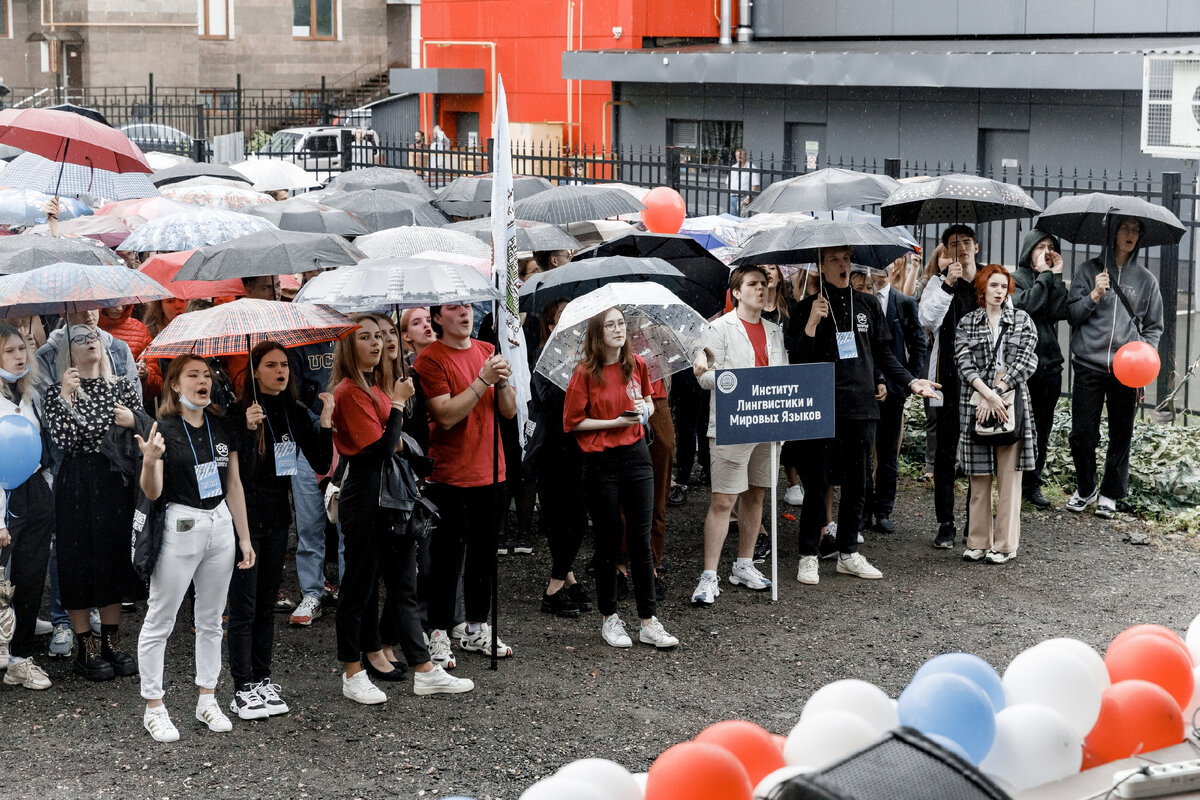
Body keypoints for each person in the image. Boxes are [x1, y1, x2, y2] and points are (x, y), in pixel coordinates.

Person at [331, 316, 473, 702]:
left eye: (379, 336)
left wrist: (394, 406)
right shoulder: (349, 391)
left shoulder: (376, 386)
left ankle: (424, 669)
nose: (376, 343)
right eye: (365, 337)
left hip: (393, 498)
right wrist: (395, 404)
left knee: (404, 586)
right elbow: (381, 448)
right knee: (358, 589)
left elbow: (395, 440)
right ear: (349, 347)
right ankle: (352, 672)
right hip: (366, 499)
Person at [790, 247, 940, 583]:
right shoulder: (807, 307)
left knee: (857, 483)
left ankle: (848, 553)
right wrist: (812, 323)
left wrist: (911, 380)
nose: (842, 265)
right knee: (818, 483)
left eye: (846, 259)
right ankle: (809, 554)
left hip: (861, 407)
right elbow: (797, 358)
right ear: (821, 266)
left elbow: (884, 354)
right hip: (821, 407)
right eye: (834, 260)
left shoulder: (869, 305)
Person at [134, 355, 256, 741]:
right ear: (175, 384)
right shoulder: (164, 428)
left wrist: (244, 537)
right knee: (161, 618)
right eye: (193, 375)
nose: (203, 381)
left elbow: (233, 484)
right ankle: (154, 706)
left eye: (207, 375)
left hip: (219, 523)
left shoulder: (221, 424)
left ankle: (208, 699)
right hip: (180, 524)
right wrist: (149, 462)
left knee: (212, 619)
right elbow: (153, 492)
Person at [227, 342, 334, 720]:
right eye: (271, 365)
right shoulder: (239, 411)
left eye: (284, 365)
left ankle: (261, 678)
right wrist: (246, 429)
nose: (280, 371)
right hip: (244, 521)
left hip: (276, 521)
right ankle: (241, 686)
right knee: (244, 606)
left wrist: (326, 422)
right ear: (255, 371)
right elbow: (238, 475)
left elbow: (320, 460)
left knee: (265, 607)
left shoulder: (294, 410)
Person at [564, 307, 678, 650]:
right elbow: (573, 422)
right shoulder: (585, 372)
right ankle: (609, 617)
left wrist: (645, 409)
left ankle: (648, 620)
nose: (618, 330)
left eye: (620, 324)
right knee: (608, 540)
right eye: (610, 325)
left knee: (641, 540)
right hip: (601, 461)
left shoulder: (637, 364)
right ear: (597, 334)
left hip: (637, 456)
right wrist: (614, 422)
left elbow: (648, 401)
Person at [413, 303, 517, 668]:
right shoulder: (429, 359)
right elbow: (445, 415)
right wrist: (483, 380)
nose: (465, 313)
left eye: (468, 306)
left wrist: (501, 382)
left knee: (484, 556)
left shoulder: (487, 350)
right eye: (454, 308)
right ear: (437, 318)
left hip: (491, 468)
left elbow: (508, 411)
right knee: (446, 558)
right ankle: (438, 632)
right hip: (450, 474)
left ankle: (476, 626)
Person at [43, 323, 143, 682]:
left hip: (114, 480)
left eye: (94, 337)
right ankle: (85, 648)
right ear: (68, 351)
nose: (90, 342)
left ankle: (111, 644)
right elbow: (65, 441)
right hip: (76, 480)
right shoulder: (57, 391)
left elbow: (145, 429)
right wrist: (66, 398)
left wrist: (133, 420)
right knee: (77, 560)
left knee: (113, 558)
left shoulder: (121, 386)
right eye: (80, 339)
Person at [690, 265, 784, 606]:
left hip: (768, 424)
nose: (761, 289)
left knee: (756, 494)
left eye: (764, 284)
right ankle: (709, 575)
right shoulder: (719, 328)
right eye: (753, 284)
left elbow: (784, 375)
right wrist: (732, 380)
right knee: (723, 500)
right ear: (737, 292)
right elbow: (704, 376)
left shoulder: (774, 331)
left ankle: (744, 564)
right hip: (732, 424)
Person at [1066, 216, 1164, 518]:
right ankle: (1086, 489)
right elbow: (1073, 315)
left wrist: (1145, 356)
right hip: (1089, 364)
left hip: (1128, 369)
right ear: (1113, 232)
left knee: (1121, 433)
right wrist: (1094, 294)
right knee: (1082, 433)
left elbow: (1154, 326)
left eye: (1136, 230)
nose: (1130, 234)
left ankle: (1109, 494)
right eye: (1125, 228)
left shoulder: (1146, 280)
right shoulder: (1088, 271)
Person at [955, 265, 1039, 564]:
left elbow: (1027, 361)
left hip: (1010, 399)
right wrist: (986, 393)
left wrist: (997, 392)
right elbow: (963, 361)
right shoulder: (968, 322)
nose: (999, 291)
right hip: (976, 398)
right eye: (993, 285)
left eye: (1004, 286)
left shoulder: (1022, 320)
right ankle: (978, 542)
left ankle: (1005, 545)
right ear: (982, 288)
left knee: (1009, 478)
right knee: (979, 477)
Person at [918, 226, 981, 549]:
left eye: (967, 243)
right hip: (946, 377)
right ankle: (946, 522)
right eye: (955, 244)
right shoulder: (938, 283)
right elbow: (927, 320)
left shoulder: (988, 280)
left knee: (977, 453)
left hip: (980, 381)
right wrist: (947, 284)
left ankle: (975, 522)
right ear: (945, 252)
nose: (962, 249)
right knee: (945, 452)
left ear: (976, 247)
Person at [0, 325, 54, 690]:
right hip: (5, 497)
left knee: (32, 576)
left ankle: (19, 657)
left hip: (35, 491)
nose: (19, 356)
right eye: (9, 351)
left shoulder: (31, 394)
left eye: (22, 348)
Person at [529, 301, 590, 618]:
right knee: (565, 518)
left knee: (572, 518)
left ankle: (567, 578)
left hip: (579, 446)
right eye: (562, 318)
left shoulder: (585, 356)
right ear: (550, 326)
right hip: (553, 447)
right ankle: (554, 588)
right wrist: (574, 377)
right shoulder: (545, 357)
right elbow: (550, 404)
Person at [867, 258, 928, 533]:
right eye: (876, 266)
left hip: (894, 389)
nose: (881, 270)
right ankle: (862, 509)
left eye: (886, 265)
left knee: (888, 453)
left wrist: (908, 381)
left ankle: (883, 509)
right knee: (862, 454)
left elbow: (918, 343)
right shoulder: (862, 300)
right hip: (865, 387)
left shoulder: (904, 302)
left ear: (894, 268)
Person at [1012, 229, 1068, 509]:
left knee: (1042, 429)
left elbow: (1059, 311)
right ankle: (1013, 481)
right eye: (1040, 246)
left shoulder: (1050, 277)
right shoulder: (1015, 279)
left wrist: (1056, 276)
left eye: (1051, 246)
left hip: (1049, 366)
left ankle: (1032, 484)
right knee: (1020, 427)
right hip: (1023, 368)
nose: (1046, 251)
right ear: (1029, 250)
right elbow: (1027, 306)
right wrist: (1046, 275)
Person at [728, 148, 760, 217]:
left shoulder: (752, 167)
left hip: (744, 198)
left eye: (741, 156)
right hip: (732, 197)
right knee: (732, 218)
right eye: (737, 156)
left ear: (745, 156)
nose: (739, 158)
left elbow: (755, 185)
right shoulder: (733, 167)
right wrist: (729, 193)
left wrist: (748, 197)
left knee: (743, 219)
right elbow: (728, 182)